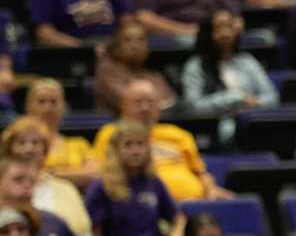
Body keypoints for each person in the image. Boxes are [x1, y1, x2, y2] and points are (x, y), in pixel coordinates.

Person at [87, 79, 232, 202]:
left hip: (192, 203)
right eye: (138, 102)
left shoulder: (178, 134)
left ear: (159, 107)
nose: (145, 108)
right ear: (123, 106)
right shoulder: (110, 133)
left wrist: (211, 189)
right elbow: (97, 171)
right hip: (140, 206)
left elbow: (200, 173)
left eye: (151, 102)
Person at [179, 8, 279, 144]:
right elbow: (193, 108)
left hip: (250, 124)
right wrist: (234, 98)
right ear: (208, 33)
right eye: (219, 28)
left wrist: (255, 103)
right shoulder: (196, 66)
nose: (225, 33)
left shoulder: (247, 61)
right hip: (214, 130)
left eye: (229, 27)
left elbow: (272, 97)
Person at [86, 120, 184, 236]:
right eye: (128, 145)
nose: (135, 151)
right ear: (115, 150)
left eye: (140, 144)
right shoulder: (101, 186)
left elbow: (179, 218)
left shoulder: (153, 182)